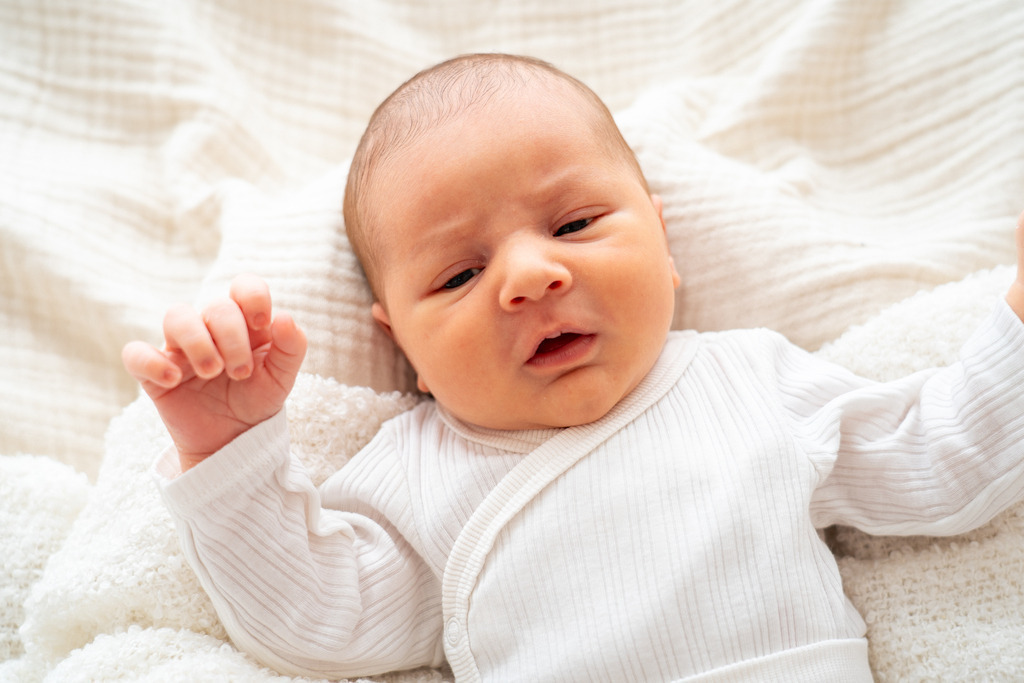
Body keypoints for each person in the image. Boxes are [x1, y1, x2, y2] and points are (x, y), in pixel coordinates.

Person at [122, 53, 1024, 682]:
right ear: (407, 349)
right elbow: (323, 618)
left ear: (665, 245)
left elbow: (943, 459)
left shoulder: (755, 382)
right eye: (460, 274)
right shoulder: (420, 467)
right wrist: (229, 448)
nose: (529, 275)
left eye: (575, 224)